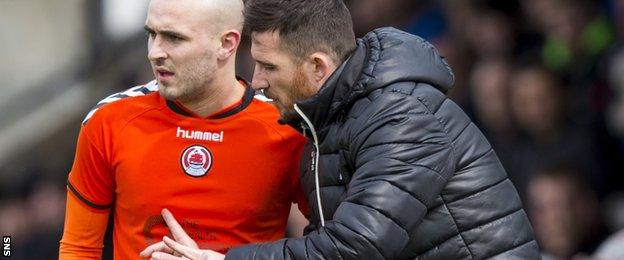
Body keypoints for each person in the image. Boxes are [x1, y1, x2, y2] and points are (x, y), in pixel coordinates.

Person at [143, 0, 540, 259]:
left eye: (269, 66)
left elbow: (356, 249)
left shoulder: (402, 117)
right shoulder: (328, 121)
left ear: (318, 67)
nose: (257, 80)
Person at [59, 0, 307, 258]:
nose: (154, 52)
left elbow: (328, 247)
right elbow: (78, 249)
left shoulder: (289, 128)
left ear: (226, 44)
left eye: (173, 38)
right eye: (151, 34)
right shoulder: (109, 121)